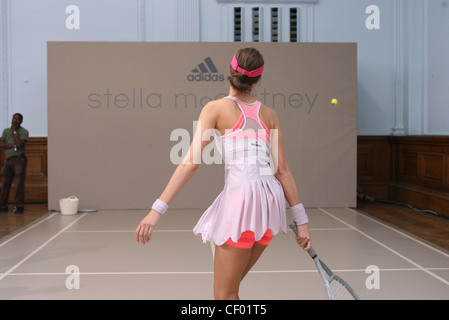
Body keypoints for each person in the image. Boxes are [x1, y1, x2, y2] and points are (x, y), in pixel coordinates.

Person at [135, 48, 311, 300]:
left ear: (229, 72)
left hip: (241, 204)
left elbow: (190, 163)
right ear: (257, 80)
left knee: (224, 296)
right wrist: (302, 221)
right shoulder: (270, 115)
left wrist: (157, 210)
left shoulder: (214, 109)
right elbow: (282, 171)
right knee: (229, 291)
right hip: (270, 205)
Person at [0, 113, 29, 214]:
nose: (15, 120)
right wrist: (14, 146)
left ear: (21, 121)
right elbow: (1, 144)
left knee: (19, 184)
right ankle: (3, 206)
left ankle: (19, 206)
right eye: (14, 118)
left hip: (19, 159)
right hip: (8, 159)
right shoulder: (6, 131)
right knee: (5, 184)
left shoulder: (24, 132)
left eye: (18, 119)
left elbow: (20, 145)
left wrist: (15, 133)